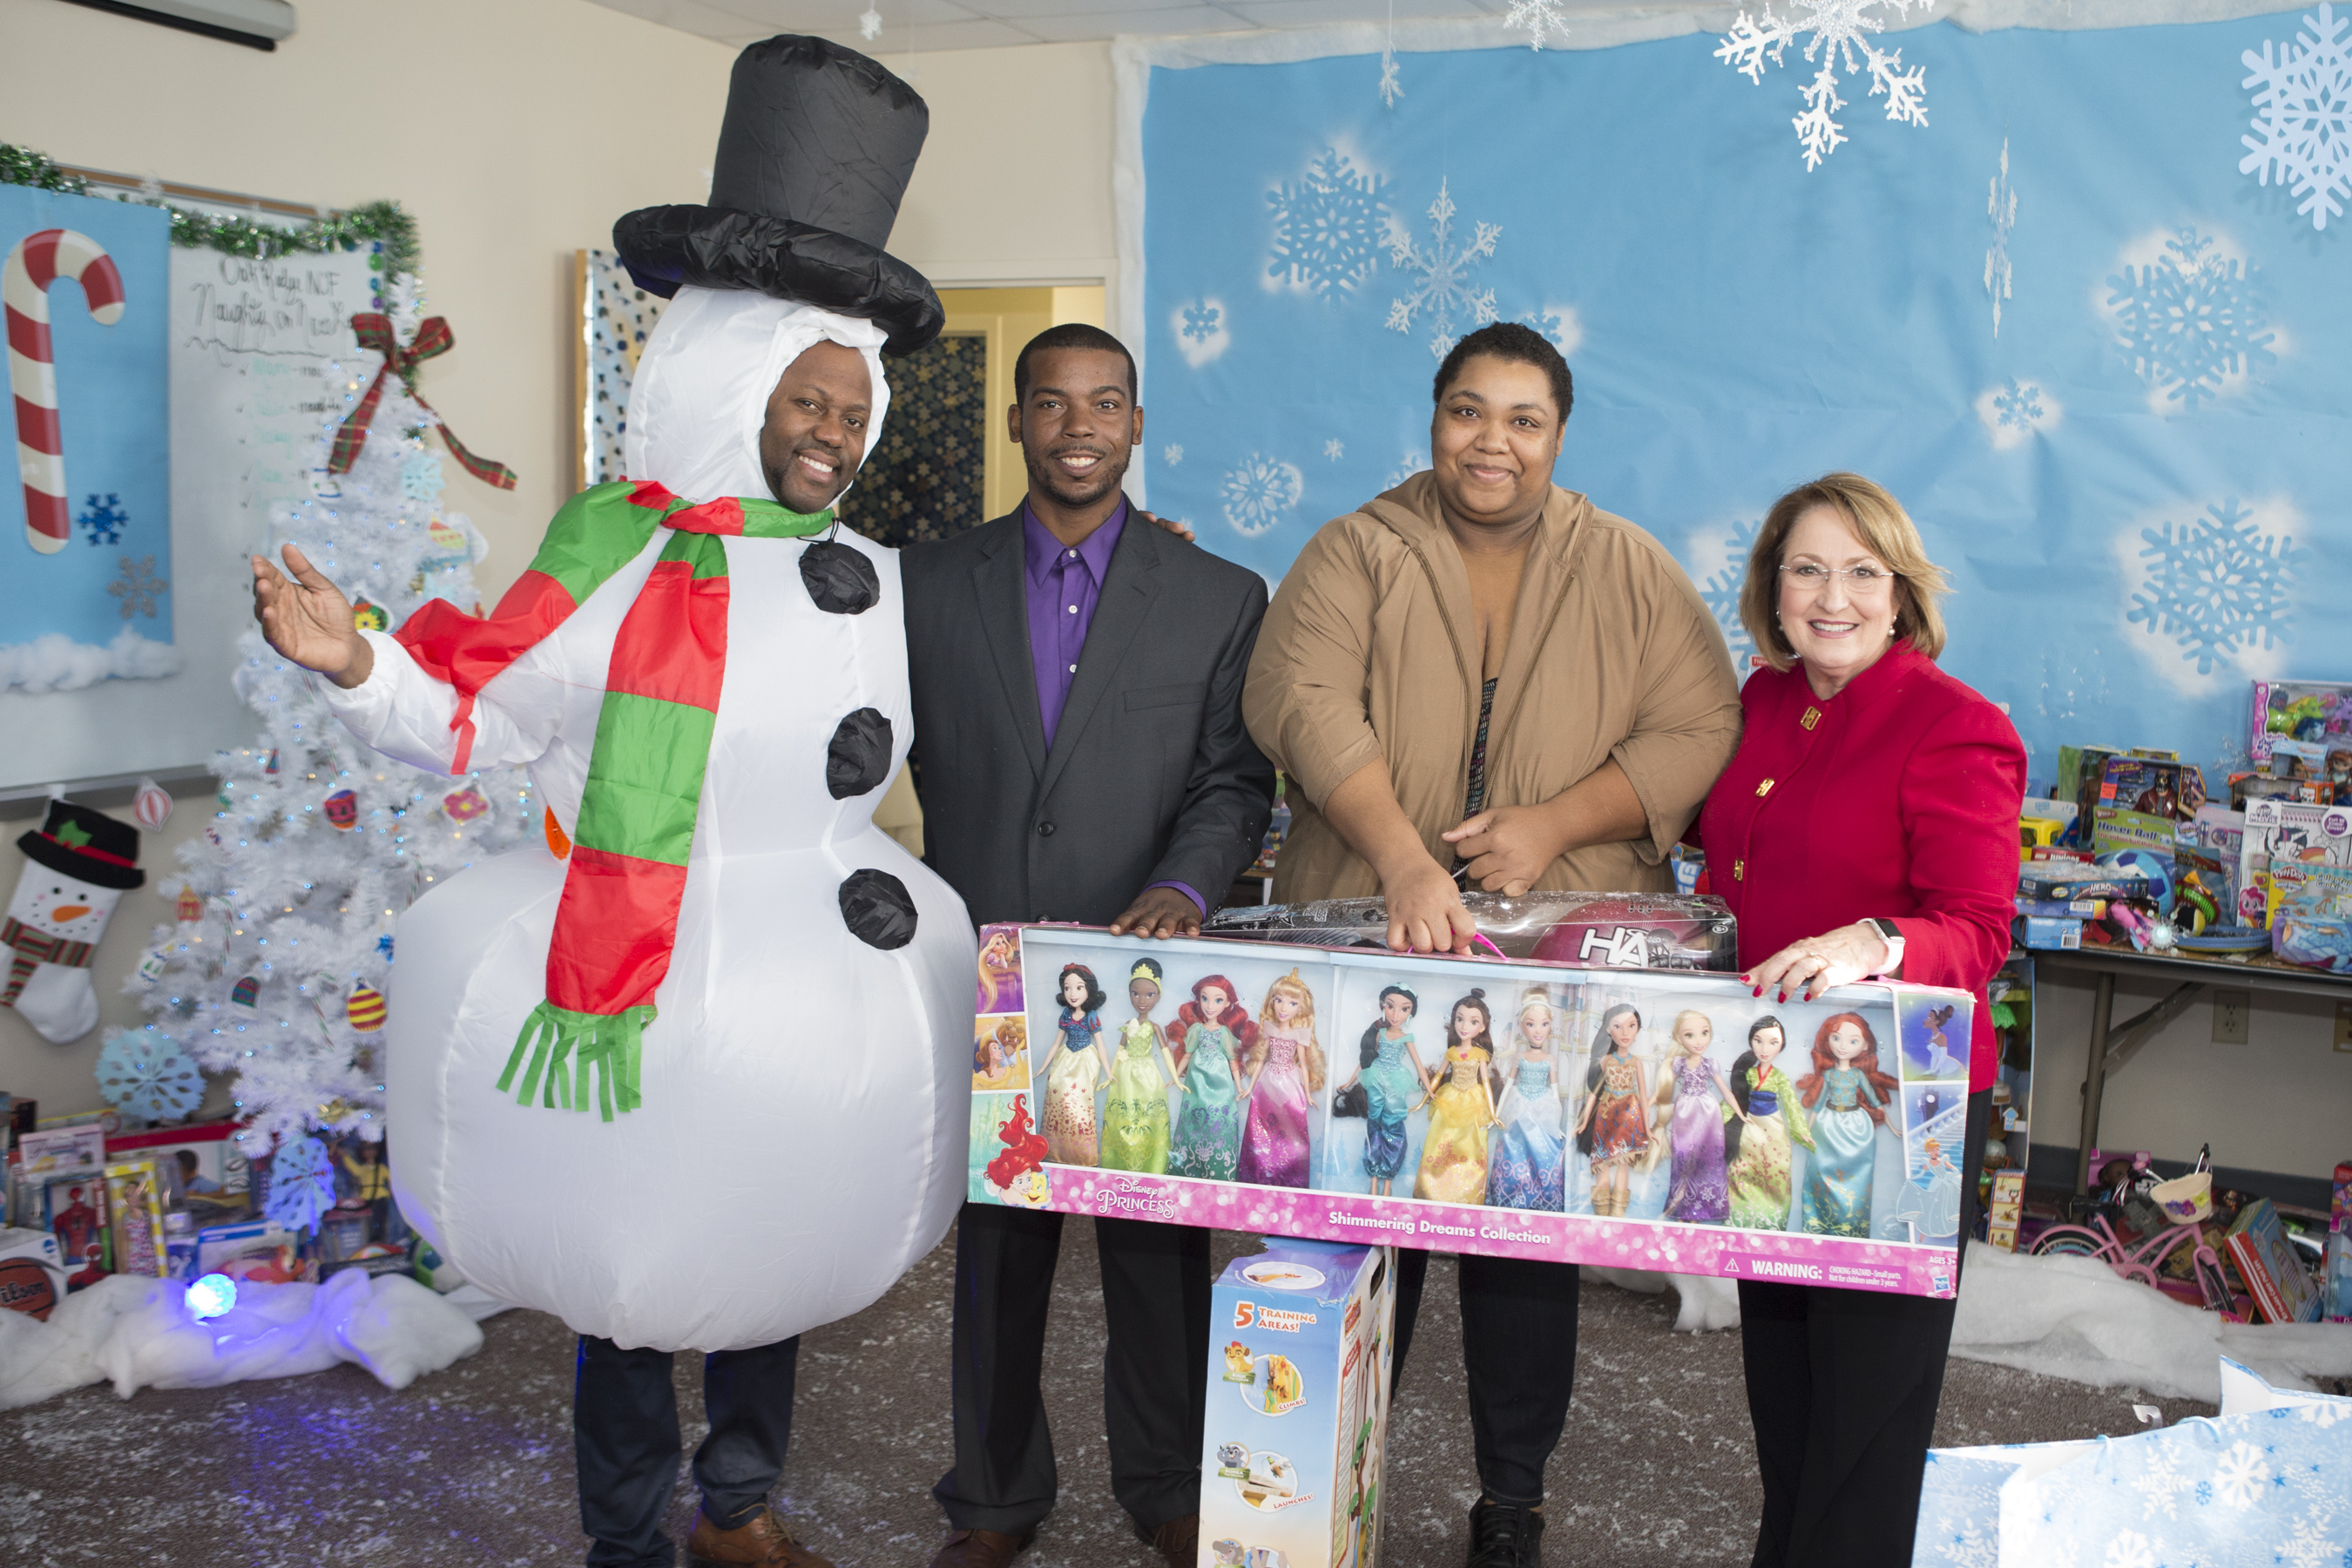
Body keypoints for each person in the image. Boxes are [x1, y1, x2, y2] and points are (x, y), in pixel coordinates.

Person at [252, 38, 978, 1568]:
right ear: (729, 382)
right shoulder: (612, 556)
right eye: (807, 397)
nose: (833, 431)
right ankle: (630, 1536)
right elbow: (470, 716)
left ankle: (743, 1505)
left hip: (805, 991)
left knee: (782, 1255)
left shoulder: (877, 580)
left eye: (853, 407)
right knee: (632, 1294)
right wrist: (354, 665)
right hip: (631, 983)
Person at [1241, 320, 1742, 1567]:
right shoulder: (1357, 547)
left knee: (1525, 1238)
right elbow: (1298, 696)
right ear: (1434, 418)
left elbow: (1700, 723)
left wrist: (1557, 825)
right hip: (1370, 937)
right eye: (1470, 412)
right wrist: (1406, 856)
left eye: (1524, 420)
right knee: (1354, 1219)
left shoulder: (1629, 568)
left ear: (1560, 436)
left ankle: (1511, 1497)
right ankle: (1319, 1479)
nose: (1493, 442)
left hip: (1553, 968)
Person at [902, 321, 1275, 1568]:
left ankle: (1169, 1484)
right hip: (987, 967)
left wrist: (1183, 882)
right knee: (999, 1248)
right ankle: (995, 1496)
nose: (1078, 427)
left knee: (1158, 1250)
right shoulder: (922, 583)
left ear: (1137, 426)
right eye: (1052, 404)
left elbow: (1232, 781)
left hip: (1145, 978)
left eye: (1104, 403)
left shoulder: (1219, 596)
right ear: (1016, 422)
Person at [1693, 470, 2024, 1568]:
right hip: (1777, 1097)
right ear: (1773, 588)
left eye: (1860, 572)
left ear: (1900, 592)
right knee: (1786, 1400)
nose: (1832, 596)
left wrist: (1872, 942)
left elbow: (1976, 929)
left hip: (1902, 1111)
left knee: (1866, 1422)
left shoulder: (1958, 726)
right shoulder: (1760, 701)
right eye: (1806, 569)